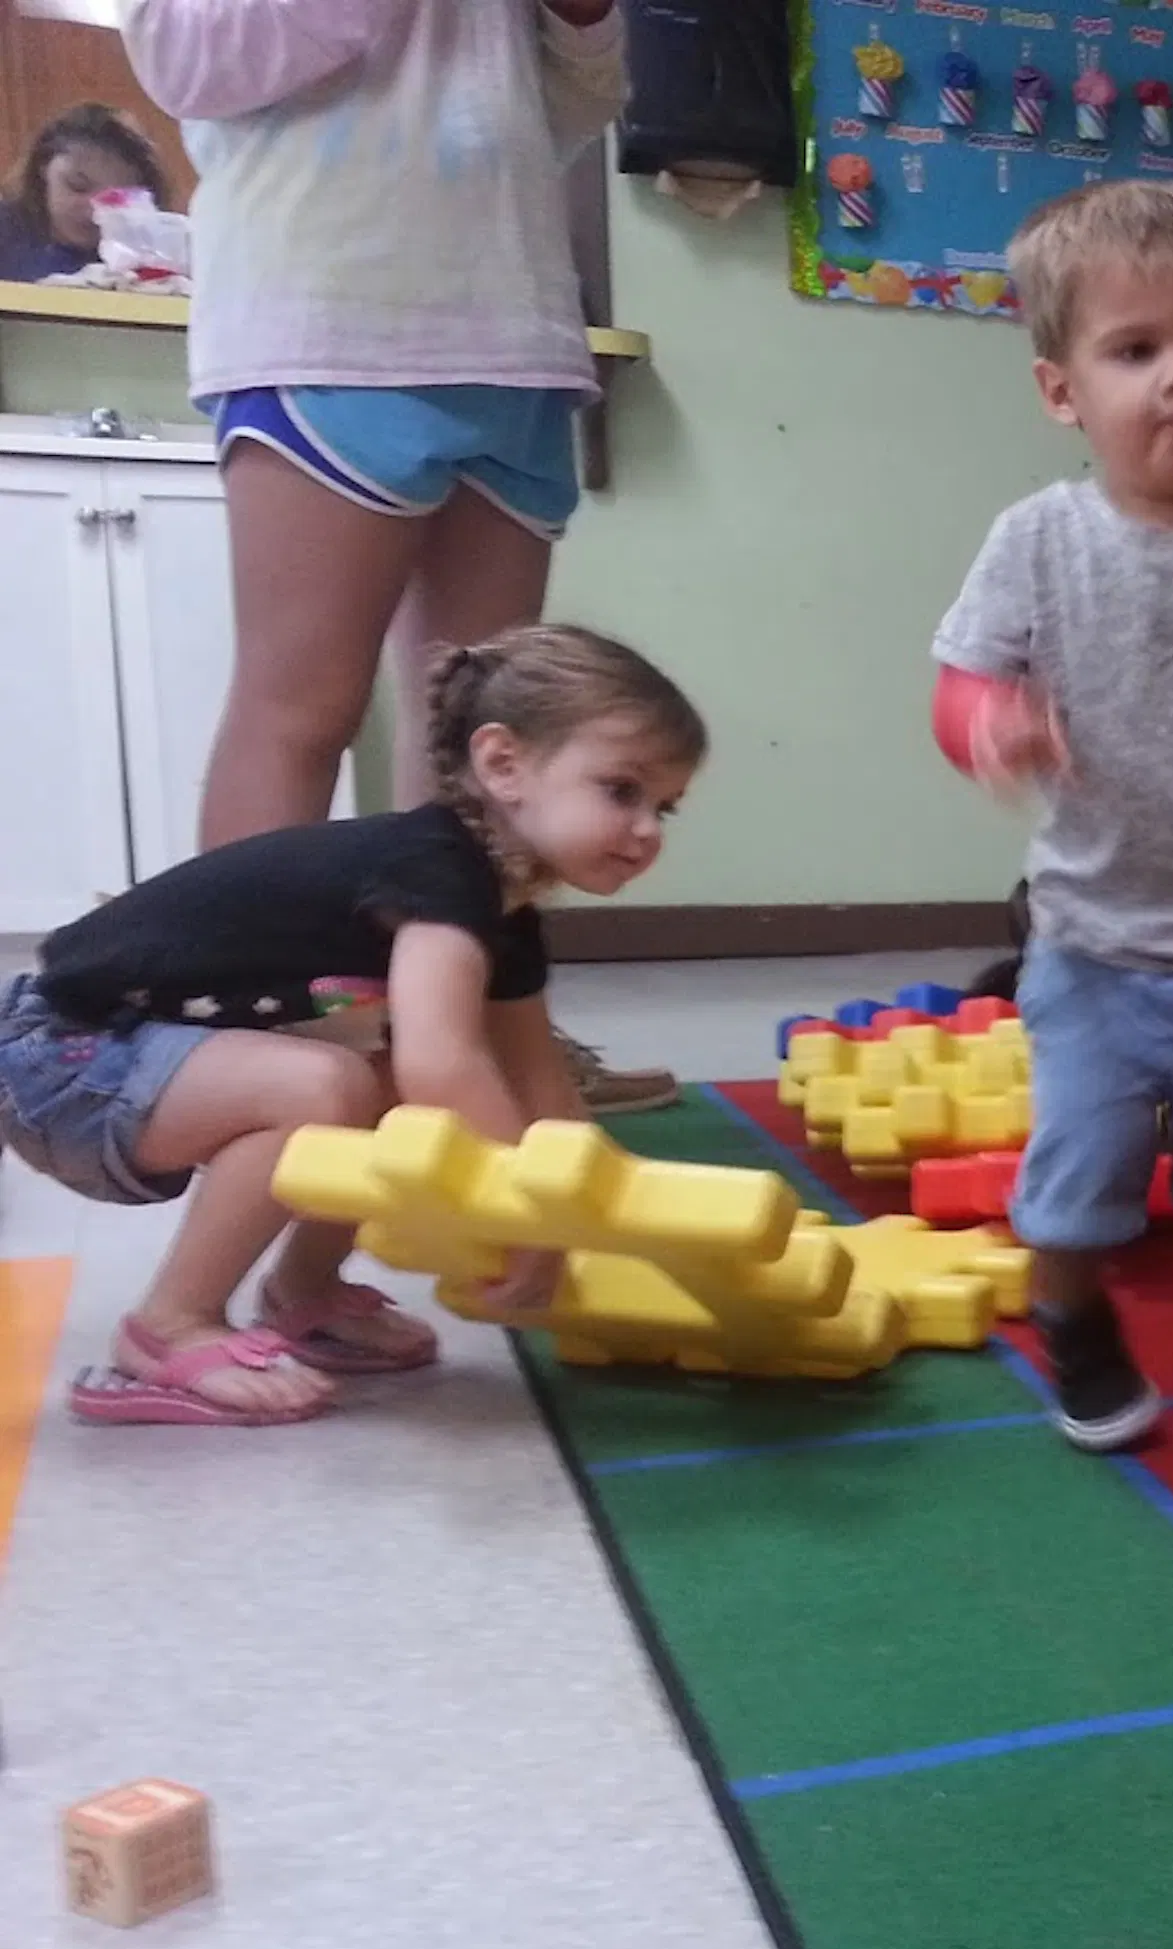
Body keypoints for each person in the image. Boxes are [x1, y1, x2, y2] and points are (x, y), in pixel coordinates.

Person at [118, 0, 678, 1116]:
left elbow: (571, 108)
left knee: (490, 745)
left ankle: (459, 1044)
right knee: (300, 708)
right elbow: (184, 59)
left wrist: (580, 22)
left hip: (511, 327)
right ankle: (251, 1047)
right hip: (325, 315)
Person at [0, 626, 703, 1431]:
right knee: (325, 1087)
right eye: (622, 791)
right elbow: (446, 1065)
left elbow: (540, 1088)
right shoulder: (436, 873)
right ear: (503, 764)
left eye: (664, 807)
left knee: (388, 1086)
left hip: (130, 1058)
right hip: (64, 1058)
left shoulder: (502, 911)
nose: (648, 830)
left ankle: (304, 1293)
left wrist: (617, 1214)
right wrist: (533, 1215)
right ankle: (169, 1327)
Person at [928, 181, 1173, 1454]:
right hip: (1096, 947)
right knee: (1079, 1179)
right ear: (1063, 392)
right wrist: (990, 723)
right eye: (1137, 350)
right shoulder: (1040, 538)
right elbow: (960, 683)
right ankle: (1069, 1314)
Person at [0, 103, 172, 285]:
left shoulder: (147, 256)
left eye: (115, 201)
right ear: (43, 165)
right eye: (77, 186)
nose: (93, 211)